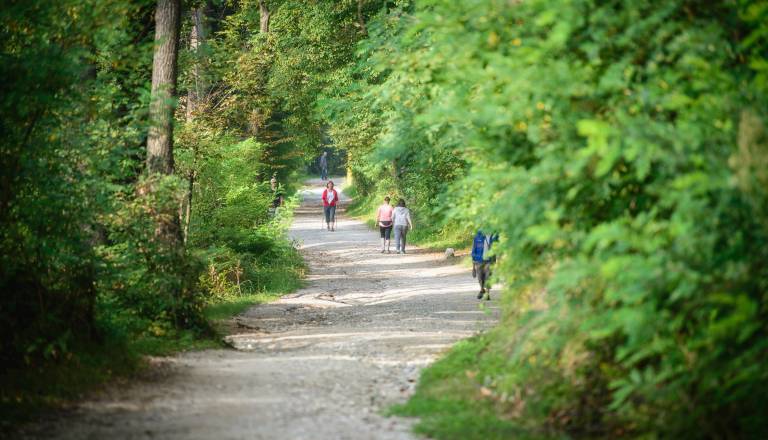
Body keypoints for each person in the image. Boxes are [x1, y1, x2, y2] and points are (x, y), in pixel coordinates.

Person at [471, 230, 498, 300]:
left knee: (488, 276)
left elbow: (498, 248)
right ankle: (482, 289)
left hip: (490, 260)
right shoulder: (478, 236)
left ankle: (487, 293)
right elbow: (474, 250)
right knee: (480, 277)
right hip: (479, 260)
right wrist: (473, 265)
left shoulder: (494, 236)